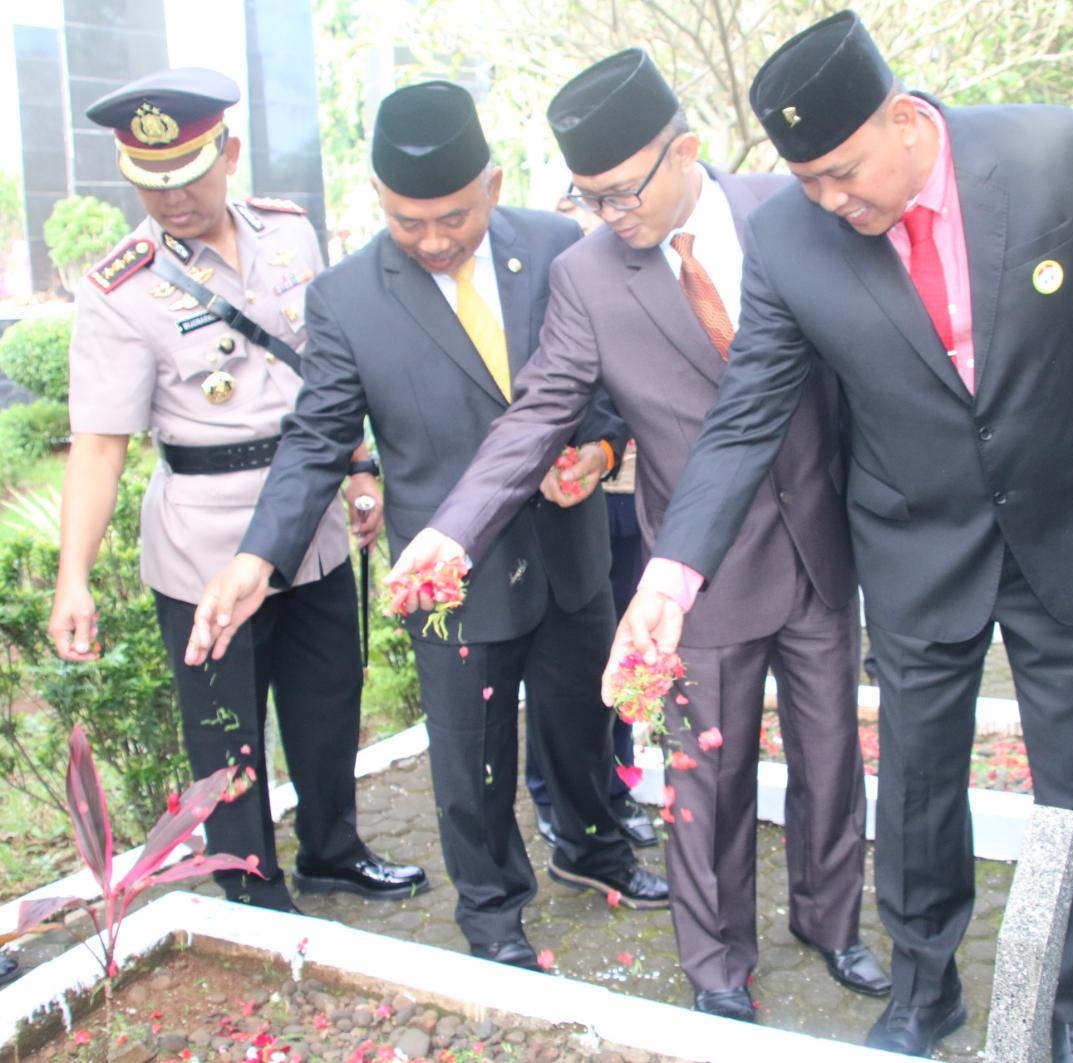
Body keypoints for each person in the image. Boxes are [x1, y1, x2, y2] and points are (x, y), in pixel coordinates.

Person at [610, 12, 1073, 1060]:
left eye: (843, 173)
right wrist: (673, 567)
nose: (831, 202)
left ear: (902, 119)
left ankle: (1072, 996)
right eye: (806, 182)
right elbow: (748, 411)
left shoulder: (1045, 154)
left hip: (1061, 519)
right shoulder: (791, 242)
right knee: (920, 778)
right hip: (913, 541)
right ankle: (923, 982)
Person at [386, 49, 888, 1020]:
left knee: (830, 759)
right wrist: (454, 530)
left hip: (821, 546)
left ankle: (832, 926)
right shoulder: (586, 278)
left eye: (620, 192)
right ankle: (715, 964)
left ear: (684, 150)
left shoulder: (785, 212)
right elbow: (535, 414)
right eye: (587, 196)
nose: (609, 215)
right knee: (704, 770)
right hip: (690, 576)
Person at [185, 81, 667, 968]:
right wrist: (260, 557)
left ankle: (595, 850)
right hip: (451, 575)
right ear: (378, 200)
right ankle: (491, 914)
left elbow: (614, 387)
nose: (436, 240)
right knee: (470, 757)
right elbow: (316, 440)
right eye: (410, 222)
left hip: (568, 549)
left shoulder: (563, 245)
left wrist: (597, 457)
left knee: (583, 720)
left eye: (453, 216)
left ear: (490, 182)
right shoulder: (345, 298)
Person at [46, 68, 425, 912]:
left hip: (314, 519)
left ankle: (334, 848)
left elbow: (330, 375)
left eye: (185, 175)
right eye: (149, 182)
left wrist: (359, 468)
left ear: (230, 153)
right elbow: (101, 447)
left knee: (329, 699)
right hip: (205, 539)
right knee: (227, 727)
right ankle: (248, 879)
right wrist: (74, 576)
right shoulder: (120, 289)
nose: (170, 199)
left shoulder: (291, 236)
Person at [525, 189, 654, 851]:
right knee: (563, 664)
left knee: (622, 650)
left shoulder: (633, 286)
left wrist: (608, 448)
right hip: (572, 500)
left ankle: (614, 784)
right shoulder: (545, 304)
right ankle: (552, 791)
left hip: (632, 497)